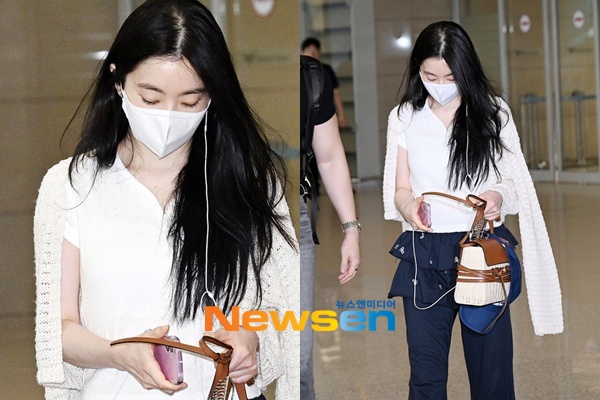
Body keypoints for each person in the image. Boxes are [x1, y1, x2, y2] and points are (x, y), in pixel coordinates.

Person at [33, 1, 299, 399]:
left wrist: (252, 338)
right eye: (151, 98)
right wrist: (119, 354)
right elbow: (59, 330)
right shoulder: (70, 186)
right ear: (118, 81)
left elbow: (284, 309)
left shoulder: (250, 183)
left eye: (190, 101)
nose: (169, 116)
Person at [382, 21, 563, 399]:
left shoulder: (494, 113)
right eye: (430, 76)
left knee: (491, 376)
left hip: (482, 252)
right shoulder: (404, 117)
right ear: (417, 70)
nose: (440, 85)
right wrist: (408, 205)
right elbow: (399, 188)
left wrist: (496, 196)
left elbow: (512, 182)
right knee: (426, 379)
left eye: (450, 77)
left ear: (466, 70)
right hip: (423, 257)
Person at [300, 55, 361, 400]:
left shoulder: (311, 77)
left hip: (292, 218)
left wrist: (351, 229)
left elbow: (330, 156)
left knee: (298, 351)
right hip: (231, 217)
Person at [301, 37, 347, 128]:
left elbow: (335, 92)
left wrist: (341, 113)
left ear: (319, 52)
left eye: (315, 51)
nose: (312, 54)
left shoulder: (325, 70)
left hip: (324, 112)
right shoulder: (299, 71)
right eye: (309, 50)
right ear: (303, 52)